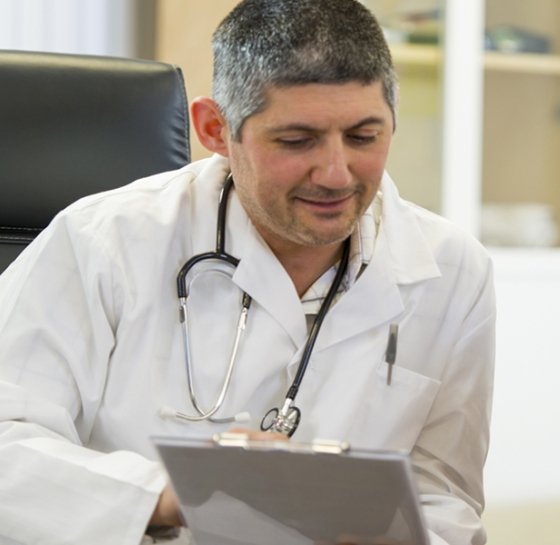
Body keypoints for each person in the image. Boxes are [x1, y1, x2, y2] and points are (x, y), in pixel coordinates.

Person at [0, 1, 495, 544]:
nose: (335, 174)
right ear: (215, 129)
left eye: (363, 136)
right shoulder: (104, 240)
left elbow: (444, 495)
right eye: (296, 140)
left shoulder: (451, 271)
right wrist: (165, 496)